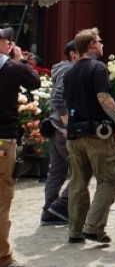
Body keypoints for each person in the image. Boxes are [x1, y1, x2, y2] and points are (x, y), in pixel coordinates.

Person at [64, 27, 115, 245]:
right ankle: (93, 227)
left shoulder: (70, 72)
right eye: (99, 41)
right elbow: (103, 97)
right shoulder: (97, 68)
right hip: (96, 136)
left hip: (74, 135)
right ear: (91, 45)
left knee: (78, 183)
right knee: (109, 180)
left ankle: (75, 230)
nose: (102, 44)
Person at [0, 26, 40, 266]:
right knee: (2, 198)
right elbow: (34, 81)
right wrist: (20, 59)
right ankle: (2, 256)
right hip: (3, 139)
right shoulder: (12, 68)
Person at [40, 40, 78, 227]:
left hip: (55, 126)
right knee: (81, 170)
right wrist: (66, 125)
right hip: (62, 129)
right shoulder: (70, 71)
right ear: (73, 54)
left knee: (57, 170)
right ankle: (58, 207)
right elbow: (58, 97)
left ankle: (49, 209)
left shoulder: (61, 69)